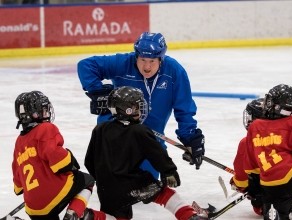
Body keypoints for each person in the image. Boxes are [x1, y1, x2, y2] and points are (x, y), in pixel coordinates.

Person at [77, 32, 205, 179]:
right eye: (143, 60)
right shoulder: (123, 63)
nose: (147, 67)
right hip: (116, 138)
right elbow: (86, 65)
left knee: (148, 188)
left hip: (150, 142)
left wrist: (190, 137)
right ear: (136, 56)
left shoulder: (174, 71)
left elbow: (184, 108)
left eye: (152, 61)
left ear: (161, 59)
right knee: (116, 190)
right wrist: (98, 92)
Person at [84, 86, 208, 220]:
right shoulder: (139, 130)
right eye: (136, 106)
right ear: (127, 109)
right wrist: (169, 171)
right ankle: (189, 216)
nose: (140, 109)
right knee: (164, 193)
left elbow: (89, 161)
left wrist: (104, 179)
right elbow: (157, 154)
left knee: (118, 217)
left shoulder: (100, 128)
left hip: (106, 187)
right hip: (131, 182)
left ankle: (91, 216)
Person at [12, 91, 107, 220]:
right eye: (43, 109)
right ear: (34, 114)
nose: (46, 113)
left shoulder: (19, 142)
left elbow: (18, 186)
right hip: (54, 194)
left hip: (33, 208)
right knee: (87, 180)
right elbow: (60, 161)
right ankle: (73, 214)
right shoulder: (45, 128)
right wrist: (70, 159)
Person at [243, 84, 292, 220]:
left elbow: (251, 164)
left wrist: (254, 187)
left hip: (267, 186)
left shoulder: (255, 126)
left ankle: (279, 208)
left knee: (275, 212)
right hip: (290, 182)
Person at [229, 98, 266, 216]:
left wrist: (238, 184)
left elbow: (241, 179)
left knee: (259, 208)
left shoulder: (247, 143)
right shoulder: (285, 135)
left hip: (270, 191)